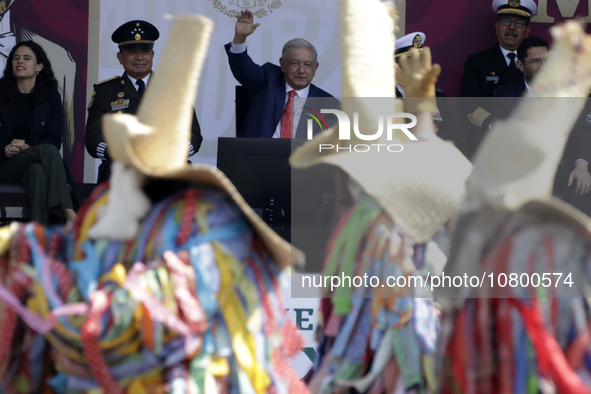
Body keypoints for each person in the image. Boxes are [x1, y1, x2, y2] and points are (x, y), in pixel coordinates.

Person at [85, 19, 203, 184]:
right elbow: (92, 138)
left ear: (152, 55)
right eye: (132, 52)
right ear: (120, 57)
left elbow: (193, 135)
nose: (140, 57)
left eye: (145, 51)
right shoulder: (105, 92)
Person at [494, 36, 591, 213]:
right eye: (536, 61)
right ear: (521, 65)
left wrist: (582, 165)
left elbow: (580, 132)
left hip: (559, 169)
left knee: (579, 180)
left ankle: (566, 237)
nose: (544, 66)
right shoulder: (504, 95)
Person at [225, 10, 336, 138]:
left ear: (315, 68)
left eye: (307, 65)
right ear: (283, 65)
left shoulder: (329, 105)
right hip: (258, 156)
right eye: (295, 63)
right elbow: (243, 69)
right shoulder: (268, 79)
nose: (301, 70)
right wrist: (239, 39)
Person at [0, 41, 76, 224]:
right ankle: (69, 213)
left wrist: (28, 147)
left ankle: (38, 233)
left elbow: (54, 139)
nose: (20, 61)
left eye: (27, 58)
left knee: (38, 172)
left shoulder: (50, 97)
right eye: (16, 58)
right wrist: (5, 149)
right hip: (4, 163)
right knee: (48, 152)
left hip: (32, 160)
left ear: (39, 66)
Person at [460, 0, 537, 158]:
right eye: (506, 21)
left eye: (519, 23)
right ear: (497, 26)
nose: (512, 27)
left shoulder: (539, 65)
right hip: (487, 145)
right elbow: (468, 103)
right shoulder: (478, 62)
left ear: (527, 30)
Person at [395, 32, 460, 147]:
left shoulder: (438, 98)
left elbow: (453, 139)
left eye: (421, 59)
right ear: (396, 65)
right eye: (410, 60)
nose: (418, 66)